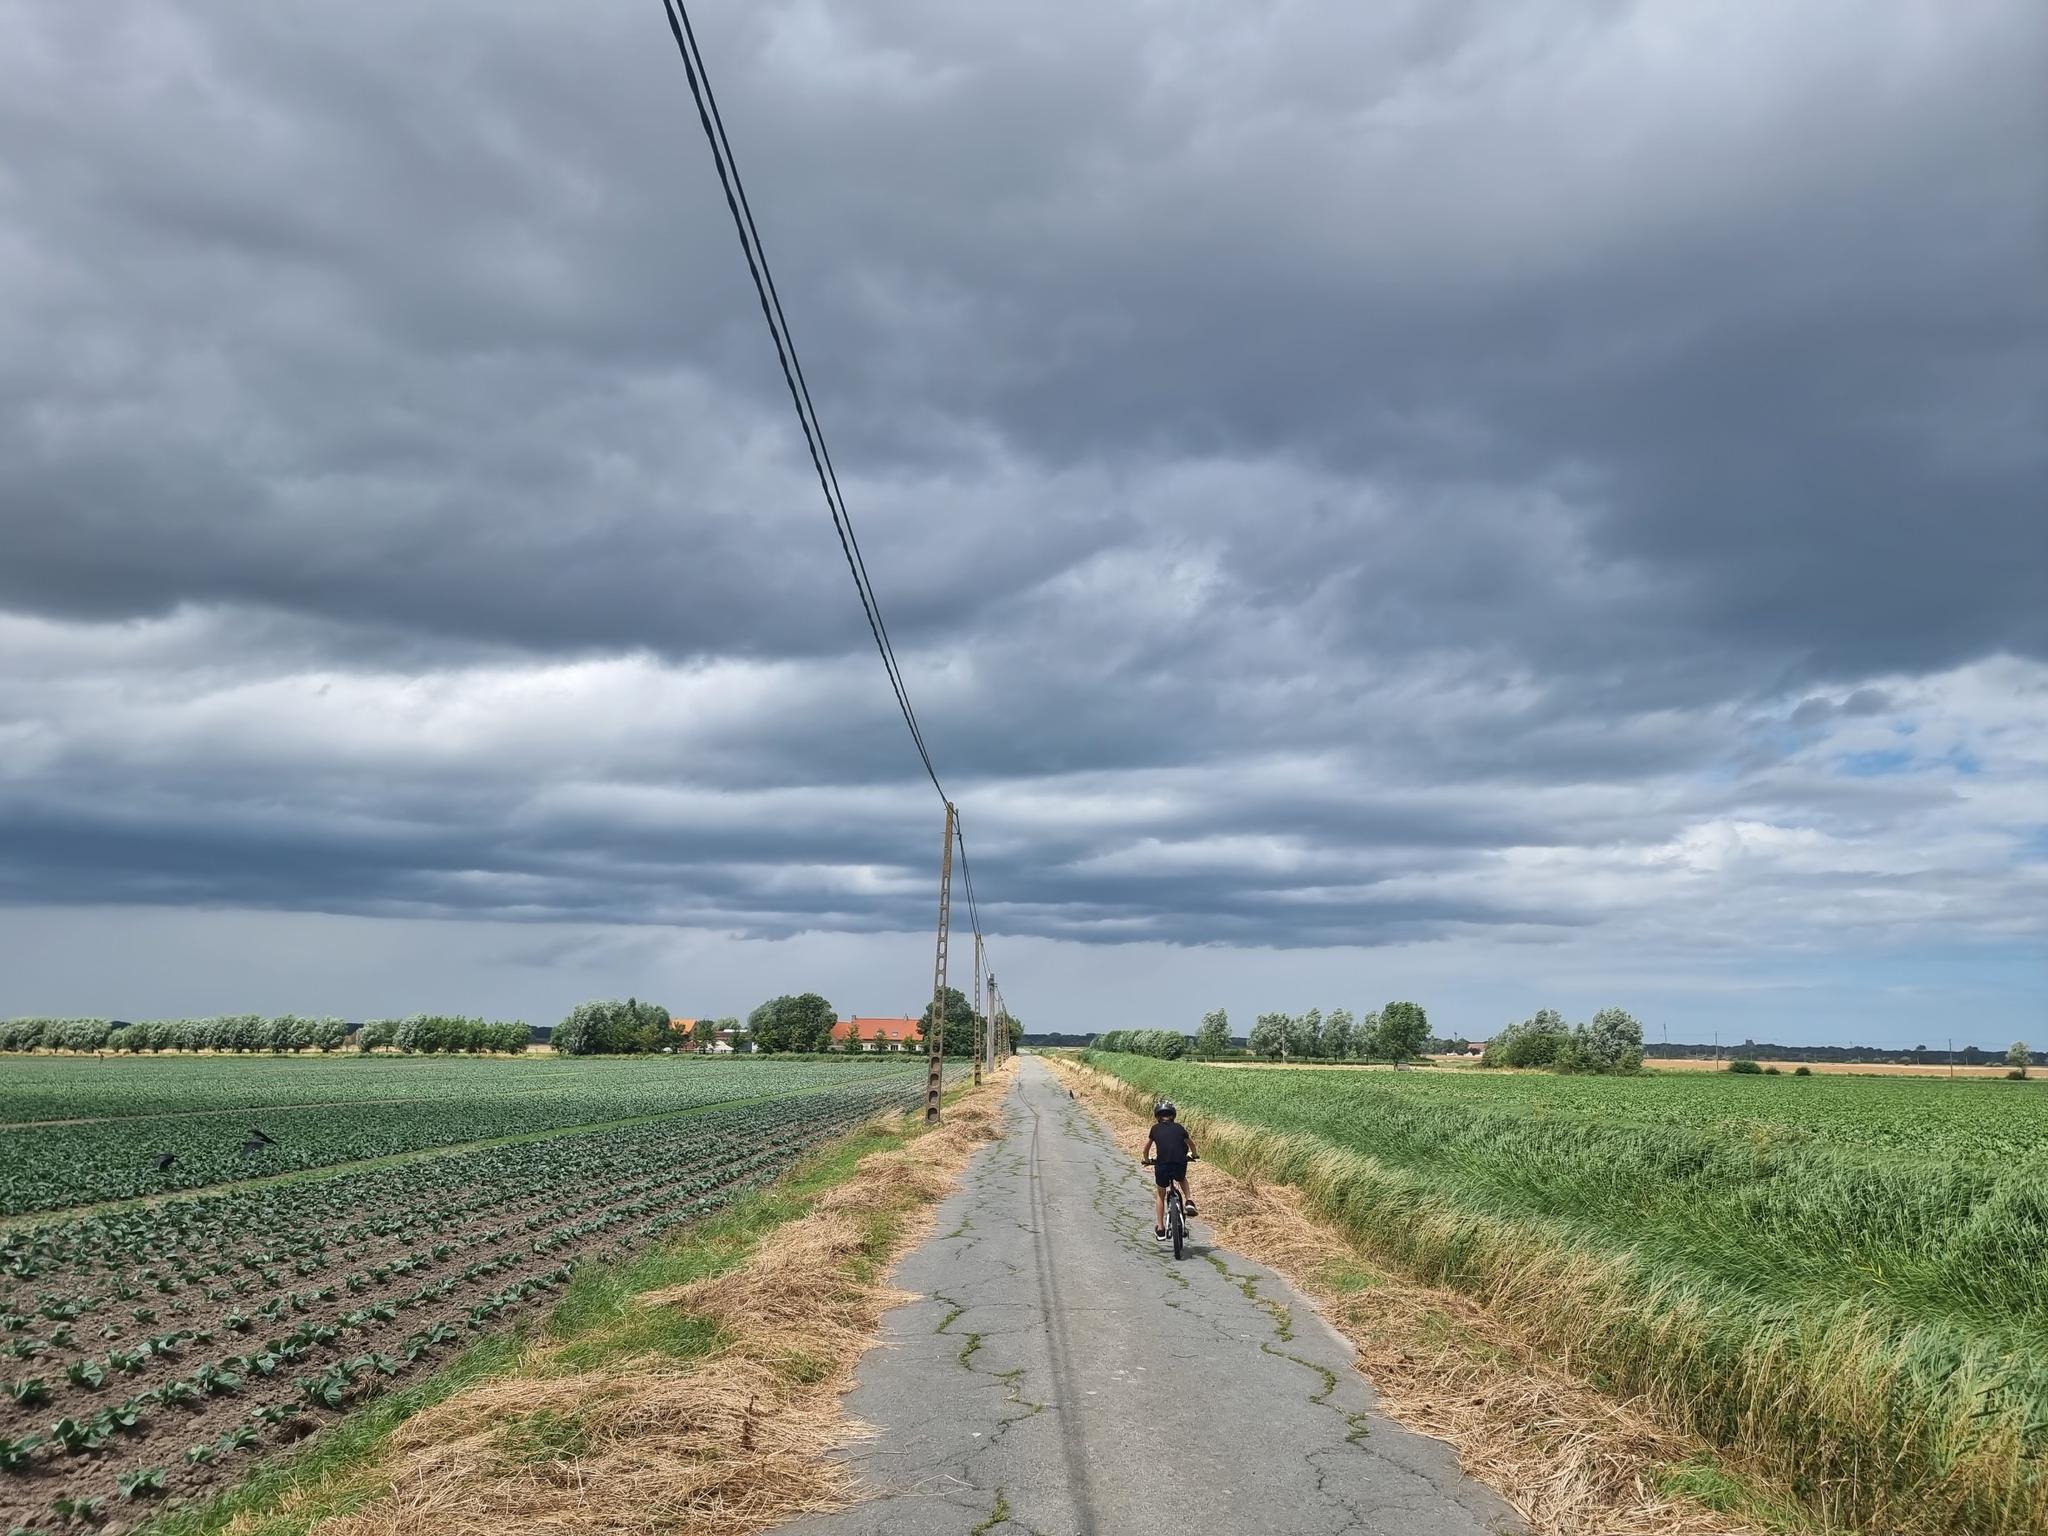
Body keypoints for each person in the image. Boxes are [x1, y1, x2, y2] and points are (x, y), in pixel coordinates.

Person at [1141, 1099, 1198, 1241]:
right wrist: (1194, 1154)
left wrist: (1146, 1159)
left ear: (1157, 1116)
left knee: (1161, 1194)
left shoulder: (1155, 1129)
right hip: (1179, 1162)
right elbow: (1191, 1144)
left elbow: (1146, 1148)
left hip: (1162, 1165)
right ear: (1173, 1115)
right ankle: (1189, 1201)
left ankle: (1161, 1228)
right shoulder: (1179, 1128)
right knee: (1182, 1179)